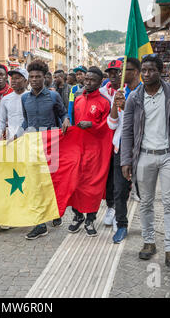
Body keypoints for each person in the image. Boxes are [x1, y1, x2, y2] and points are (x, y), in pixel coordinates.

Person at [121, 54, 170, 271]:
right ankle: (149, 242)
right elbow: (127, 130)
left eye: (151, 70)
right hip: (143, 156)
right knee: (145, 202)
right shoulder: (134, 97)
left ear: (160, 71)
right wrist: (126, 159)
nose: (146, 74)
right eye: (144, 70)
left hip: (169, 155)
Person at [21, 60, 71, 240]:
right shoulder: (24, 98)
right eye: (31, 77)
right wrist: (16, 135)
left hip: (52, 145)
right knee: (36, 184)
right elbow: (26, 121)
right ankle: (40, 224)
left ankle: (55, 211)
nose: (34, 80)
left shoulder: (53, 96)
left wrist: (66, 120)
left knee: (52, 181)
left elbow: (63, 113)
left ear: (44, 78)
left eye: (38, 77)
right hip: (33, 145)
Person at [68, 67, 114, 237]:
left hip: (95, 151)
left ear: (100, 81)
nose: (87, 82)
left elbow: (109, 126)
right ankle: (77, 216)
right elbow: (71, 119)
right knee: (75, 183)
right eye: (86, 79)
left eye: (92, 80)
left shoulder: (104, 102)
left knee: (92, 186)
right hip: (77, 150)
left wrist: (92, 125)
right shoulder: (78, 99)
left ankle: (90, 219)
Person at [107, 57, 142, 244]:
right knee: (119, 189)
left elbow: (143, 121)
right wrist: (115, 104)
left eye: (124, 70)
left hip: (143, 148)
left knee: (143, 189)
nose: (119, 75)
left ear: (135, 72)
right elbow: (112, 124)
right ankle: (121, 225)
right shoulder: (119, 93)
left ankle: (148, 226)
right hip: (121, 147)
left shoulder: (146, 92)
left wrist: (125, 105)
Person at [99, 60, 124, 229]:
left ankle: (120, 211)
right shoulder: (101, 92)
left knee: (120, 178)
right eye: (111, 72)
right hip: (104, 140)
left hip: (122, 141)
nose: (114, 76)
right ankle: (111, 207)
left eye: (117, 72)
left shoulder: (128, 92)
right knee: (107, 176)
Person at [0, 68, 28, 141]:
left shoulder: (31, 97)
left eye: (17, 78)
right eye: (12, 78)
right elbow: (1, 123)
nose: (13, 81)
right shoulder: (5, 99)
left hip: (28, 141)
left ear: (26, 81)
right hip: (12, 141)